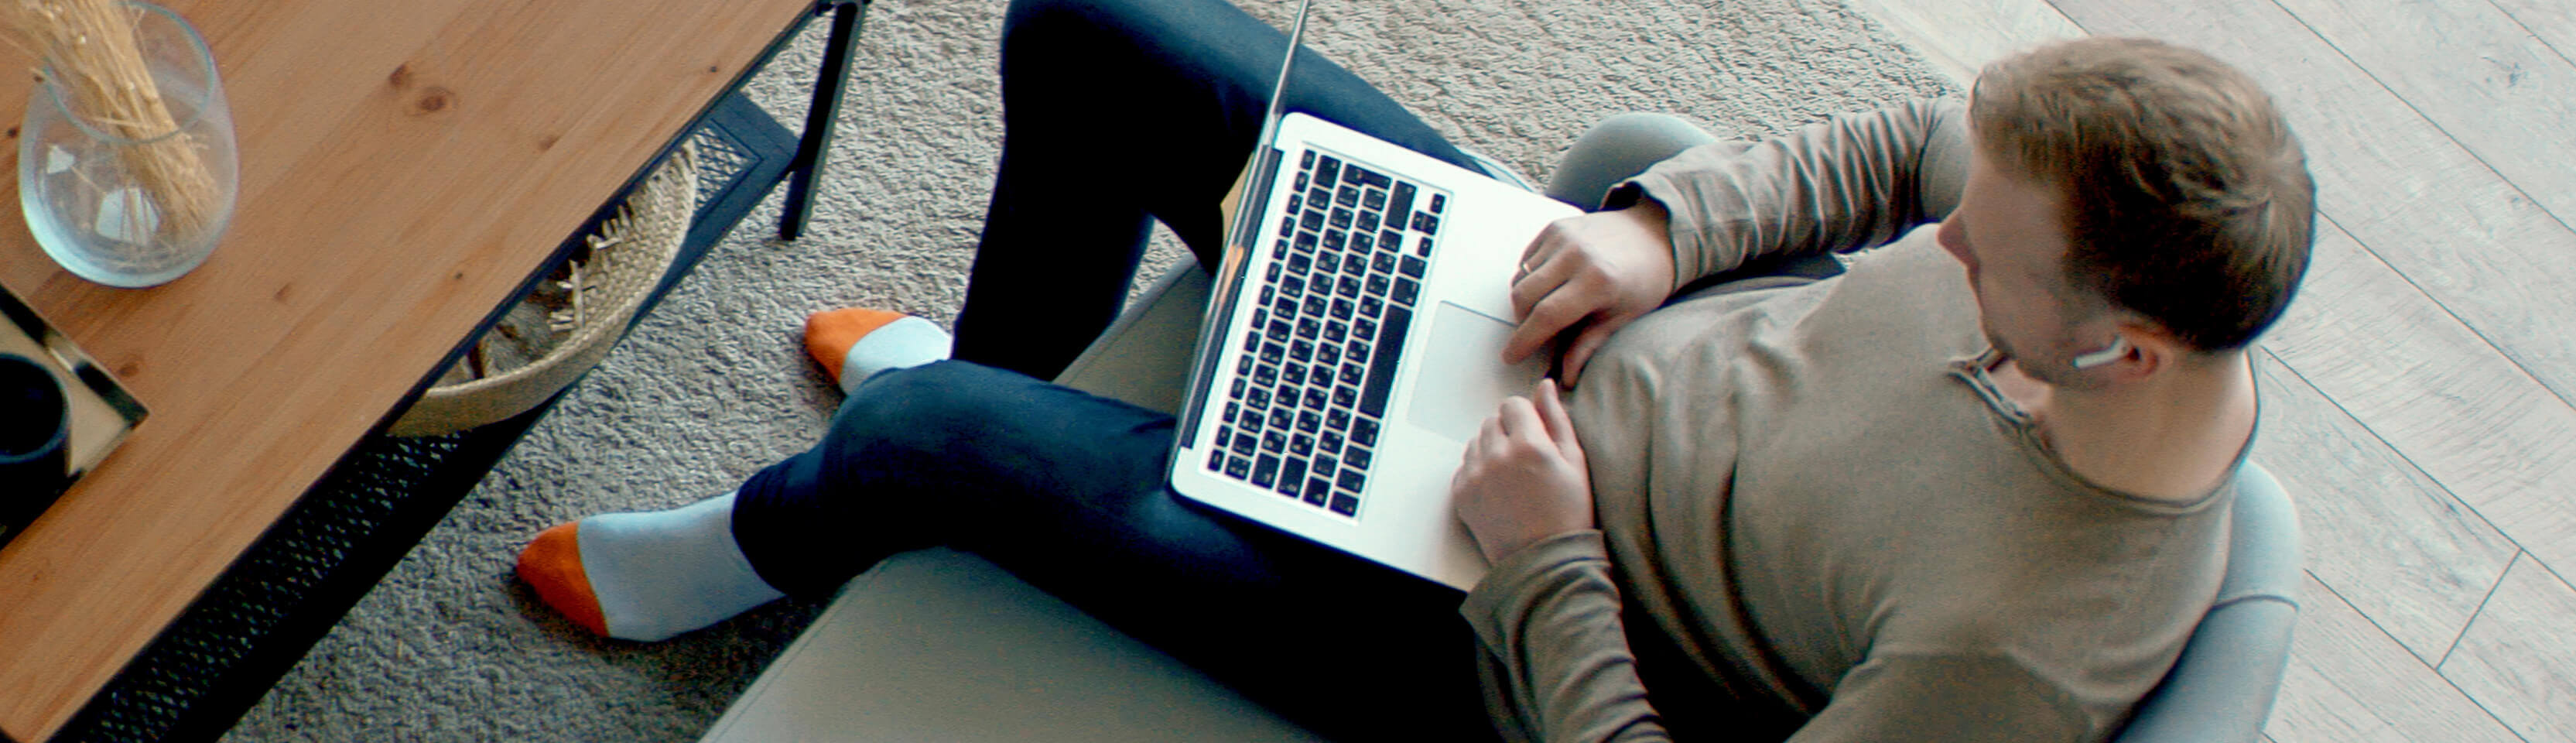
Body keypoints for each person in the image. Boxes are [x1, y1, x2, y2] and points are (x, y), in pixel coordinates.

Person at [511, 0, 2314, 739]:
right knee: (1087, 25)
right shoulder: (2070, 236)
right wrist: (1662, 234)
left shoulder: (2015, 647)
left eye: (1974, 260)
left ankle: (790, 528)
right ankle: (1022, 390)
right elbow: (1899, 154)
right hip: (1543, 321)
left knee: (929, 436)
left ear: (2120, 345)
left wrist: (1542, 551)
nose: (1932, 247)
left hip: (1486, 607)